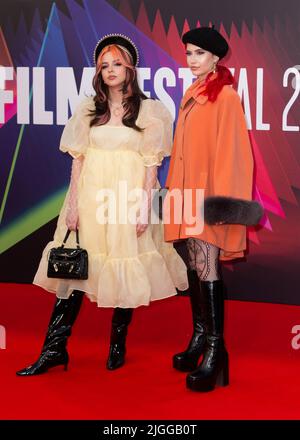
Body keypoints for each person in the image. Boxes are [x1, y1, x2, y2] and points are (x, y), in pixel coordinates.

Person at [16, 34, 188, 376]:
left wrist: (143, 207)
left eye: (117, 64)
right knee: (73, 270)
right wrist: (74, 203)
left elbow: (152, 165)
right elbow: (78, 160)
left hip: (127, 199)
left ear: (131, 68)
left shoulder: (151, 111)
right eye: (104, 66)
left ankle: (117, 343)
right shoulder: (87, 109)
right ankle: (53, 350)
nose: (110, 70)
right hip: (90, 197)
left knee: (124, 265)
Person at [163, 26, 254, 392]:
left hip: (208, 199)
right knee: (196, 265)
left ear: (216, 57)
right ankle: (201, 338)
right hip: (184, 195)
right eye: (188, 53)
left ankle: (217, 352)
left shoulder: (226, 96)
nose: (192, 60)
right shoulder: (193, 91)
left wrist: (220, 206)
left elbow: (235, 155)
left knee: (208, 265)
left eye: (199, 53)